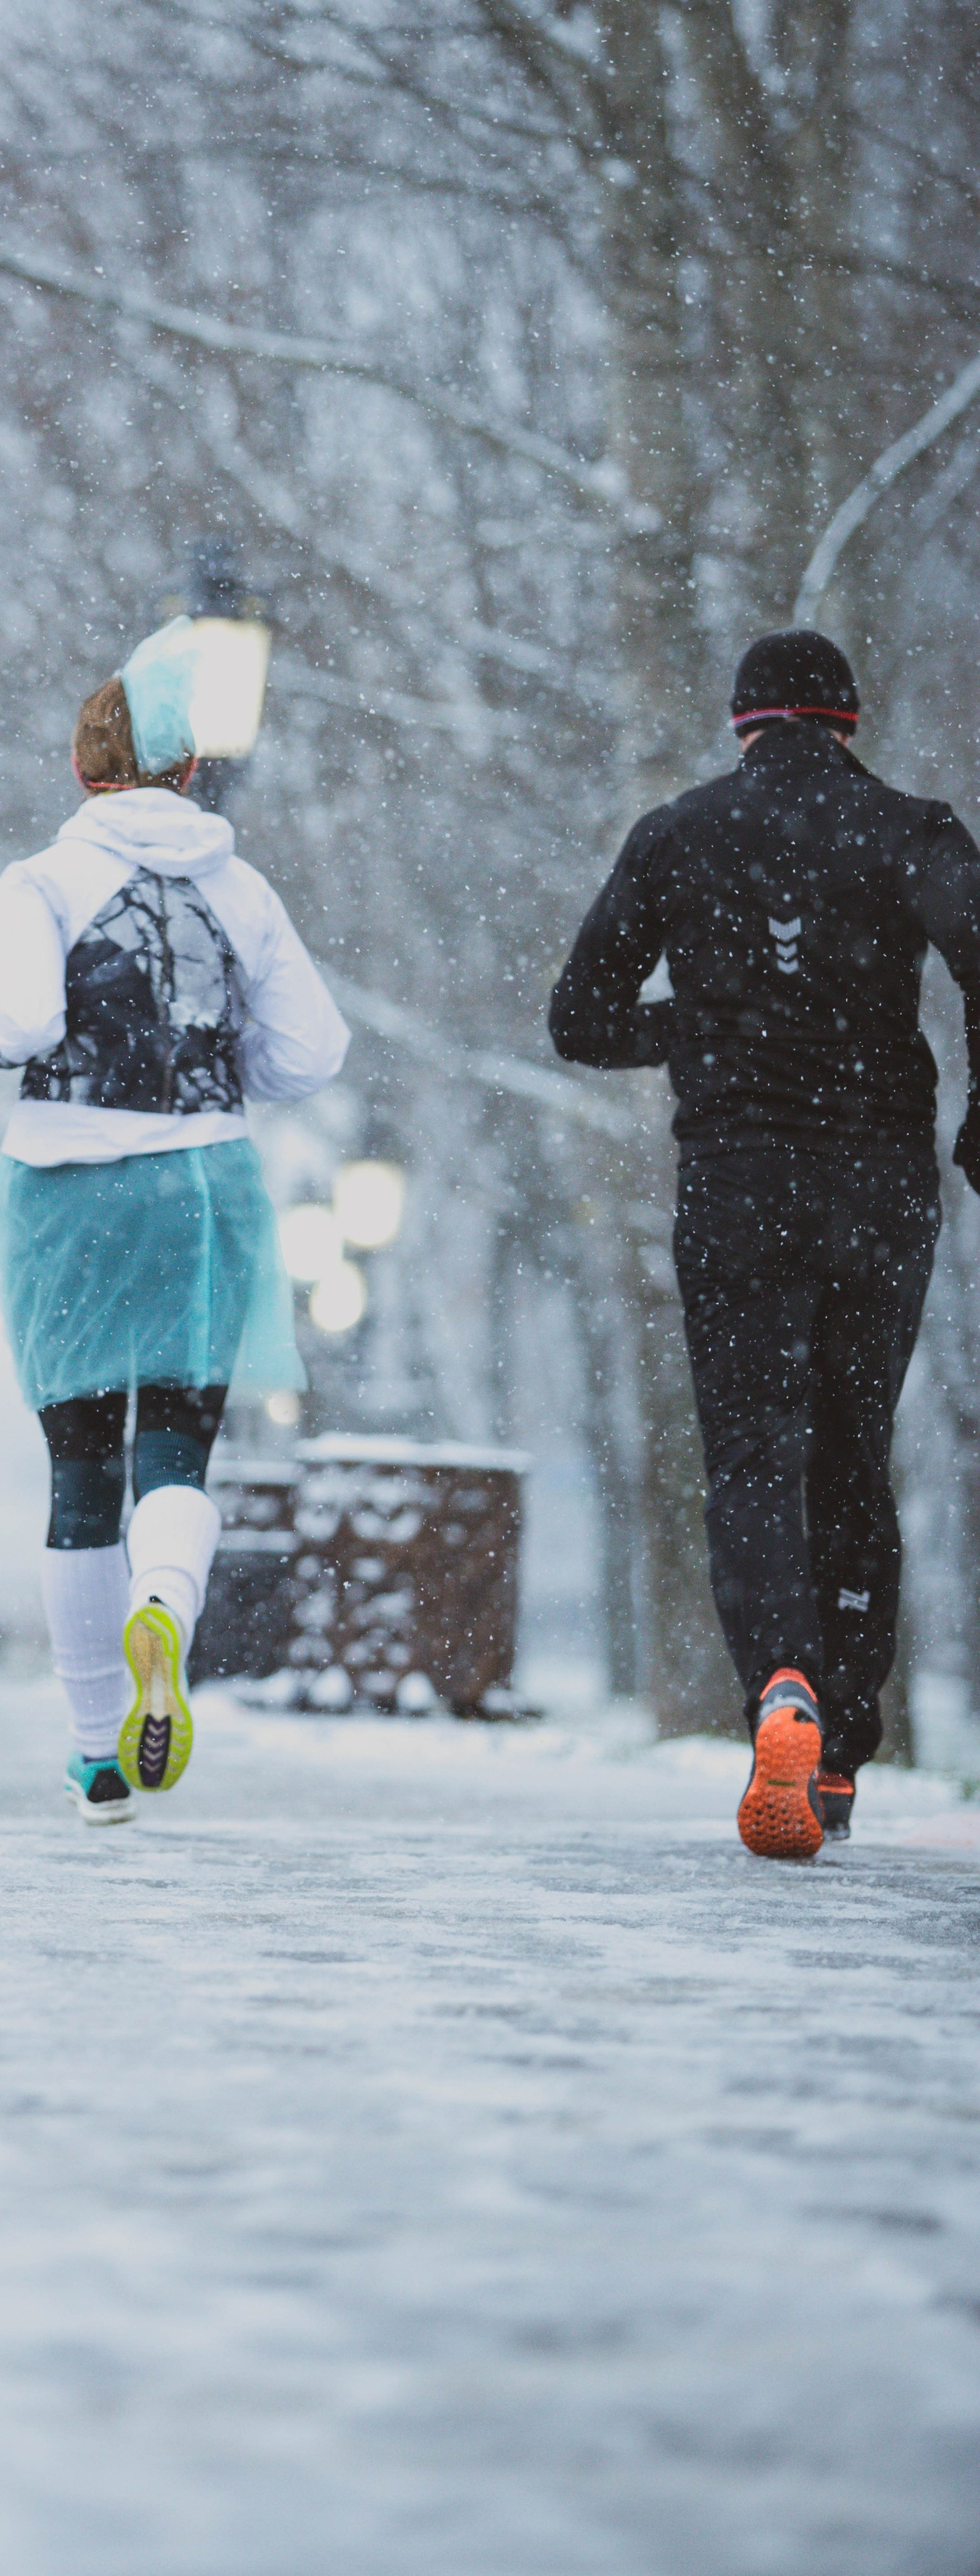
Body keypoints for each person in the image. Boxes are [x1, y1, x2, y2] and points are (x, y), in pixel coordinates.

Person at [550, 628, 980, 1859]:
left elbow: (579, 1019)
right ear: (847, 722)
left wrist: (706, 1025)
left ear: (745, 726)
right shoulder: (910, 829)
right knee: (853, 1448)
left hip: (739, 1183)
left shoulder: (679, 835)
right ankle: (841, 1750)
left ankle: (781, 1687)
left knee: (750, 1449)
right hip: (879, 1184)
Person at [0, 619, 350, 1823]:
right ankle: (162, 1610)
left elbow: (16, 1021)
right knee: (178, 1445)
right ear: (188, 767)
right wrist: (230, 1080)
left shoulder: (42, 883)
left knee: (80, 1474)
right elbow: (314, 1052)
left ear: (85, 769)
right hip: (202, 1192)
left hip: (67, 1194)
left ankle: (94, 1753)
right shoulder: (241, 887)